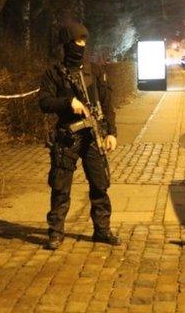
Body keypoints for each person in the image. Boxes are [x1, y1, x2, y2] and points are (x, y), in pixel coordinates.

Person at [38, 22, 120, 250]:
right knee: (60, 187)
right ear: (67, 44)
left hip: (93, 137)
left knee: (100, 186)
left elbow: (107, 103)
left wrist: (111, 132)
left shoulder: (94, 70)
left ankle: (102, 231)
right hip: (67, 137)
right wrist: (68, 102)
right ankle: (55, 233)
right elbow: (44, 102)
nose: (81, 46)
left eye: (84, 41)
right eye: (77, 41)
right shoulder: (54, 73)